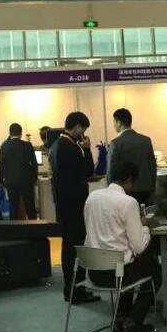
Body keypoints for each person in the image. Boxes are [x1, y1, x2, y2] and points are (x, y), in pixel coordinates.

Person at [84, 162, 160, 332]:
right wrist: (145, 228)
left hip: (94, 270)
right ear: (129, 180)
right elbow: (139, 246)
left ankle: (121, 317)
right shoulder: (128, 202)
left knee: (130, 264)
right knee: (155, 271)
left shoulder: (92, 197)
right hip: (117, 273)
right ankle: (132, 322)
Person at [55, 112, 100, 304]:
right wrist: (87, 150)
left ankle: (72, 289)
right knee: (76, 248)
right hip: (75, 206)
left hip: (65, 205)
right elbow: (88, 171)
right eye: (84, 129)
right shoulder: (71, 148)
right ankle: (76, 290)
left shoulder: (58, 145)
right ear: (78, 127)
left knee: (68, 247)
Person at [107, 109, 157, 206]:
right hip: (145, 188)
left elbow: (111, 170)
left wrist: (111, 190)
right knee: (143, 213)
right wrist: (152, 188)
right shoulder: (146, 140)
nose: (114, 125)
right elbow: (152, 166)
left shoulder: (115, 143)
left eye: (114, 121)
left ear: (119, 122)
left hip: (124, 190)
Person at [0, 123, 39, 220]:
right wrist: (34, 178)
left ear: (10, 133)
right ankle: (34, 227)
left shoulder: (4, 146)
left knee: (13, 207)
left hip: (11, 181)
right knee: (30, 207)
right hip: (26, 181)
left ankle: (14, 228)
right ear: (21, 133)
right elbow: (34, 163)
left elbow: (0, 164)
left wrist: (0, 181)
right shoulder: (27, 145)